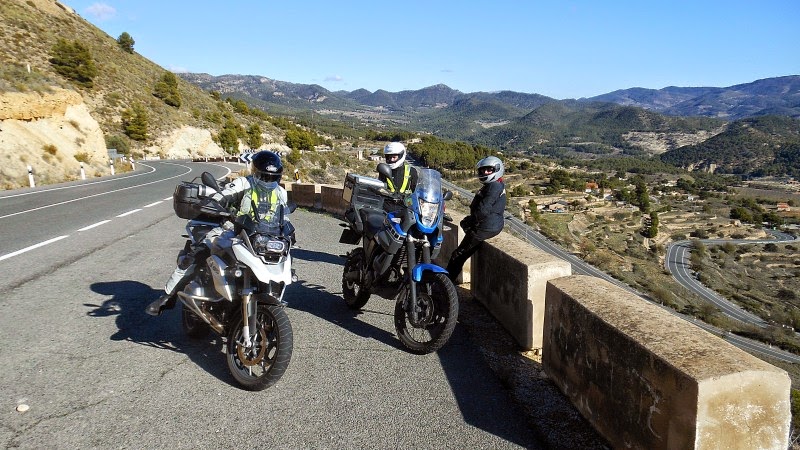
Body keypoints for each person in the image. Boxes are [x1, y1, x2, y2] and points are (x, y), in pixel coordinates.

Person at [146, 150, 294, 316]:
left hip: (261, 236)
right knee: (201, 251)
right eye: (264, 176)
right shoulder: (244, 183)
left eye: (273, 177)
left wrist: (289, 231)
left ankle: (268, 297)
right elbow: (221, 196)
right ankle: (168, 296)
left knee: (284, 256)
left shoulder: (280, 193)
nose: (268, 181)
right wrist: (217, 204)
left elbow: (283, 216)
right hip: (233, 230)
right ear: (255, 173)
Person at [446, 155, 507, 283]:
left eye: (489, 170)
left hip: (484, 228)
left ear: (497, 169)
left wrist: (469, 222)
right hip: (492, 224)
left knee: (458, 255)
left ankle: (444, 286)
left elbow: (483, 211)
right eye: (483, 170)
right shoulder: (497, 184)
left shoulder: (493, 186)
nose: (485, 172)